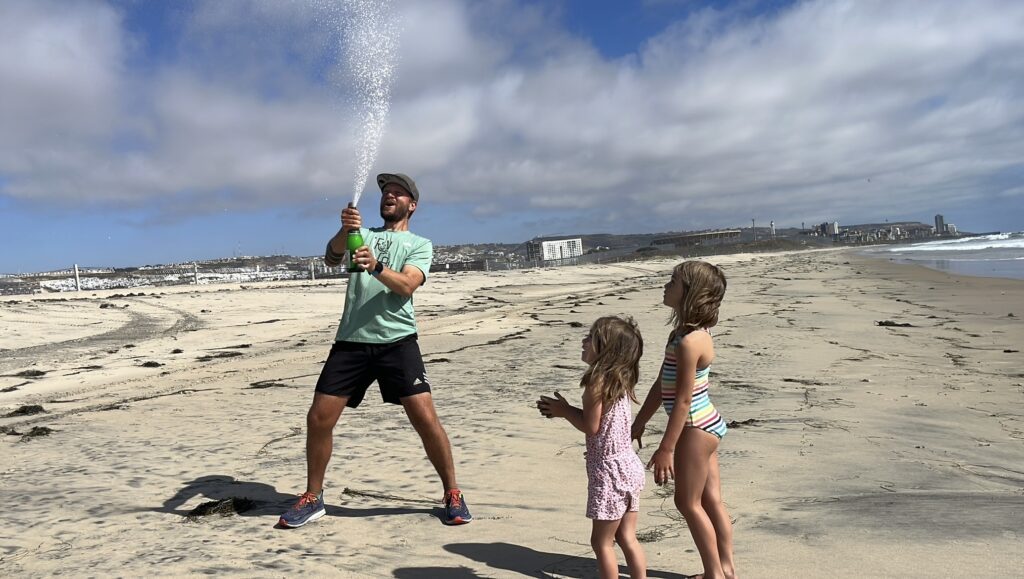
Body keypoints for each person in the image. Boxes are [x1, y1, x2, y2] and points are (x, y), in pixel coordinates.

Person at [278, 173, 472, 528]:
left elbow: (407, 285)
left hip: (397, 343)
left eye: (397, 194)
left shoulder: (419, 244)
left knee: (425, 420)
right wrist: (345, 228)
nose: (389, 196)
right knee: (318, 418)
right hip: (351, 341)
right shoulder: (362, 235)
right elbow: (332, 257)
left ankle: (452, 493)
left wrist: (378, 267)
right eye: (385, 192)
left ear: (411, 205)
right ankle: (313, 497)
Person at [631, 261, 735, 579]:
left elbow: (683, 400)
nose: (666, 285)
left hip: (695, 427)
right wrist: (640, 421)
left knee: (687, 503)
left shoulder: (692, 342)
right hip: (707, 423)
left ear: (690, 293)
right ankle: (727, 569)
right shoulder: (681, 334)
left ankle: (714, 573)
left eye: (673, 281)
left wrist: (667, 448)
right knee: (711, 499)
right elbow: (661, 384)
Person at [537, 316, 648, 579]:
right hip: (628, 466)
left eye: (591, 337)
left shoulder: (595, 383)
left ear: (606, 349)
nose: (584, 341)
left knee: (601, 543)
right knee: (627, 537)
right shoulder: (620, 381)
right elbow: (604, 424)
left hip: (609, 474)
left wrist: (564, 411)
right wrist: (565, 410)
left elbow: (591, 426)